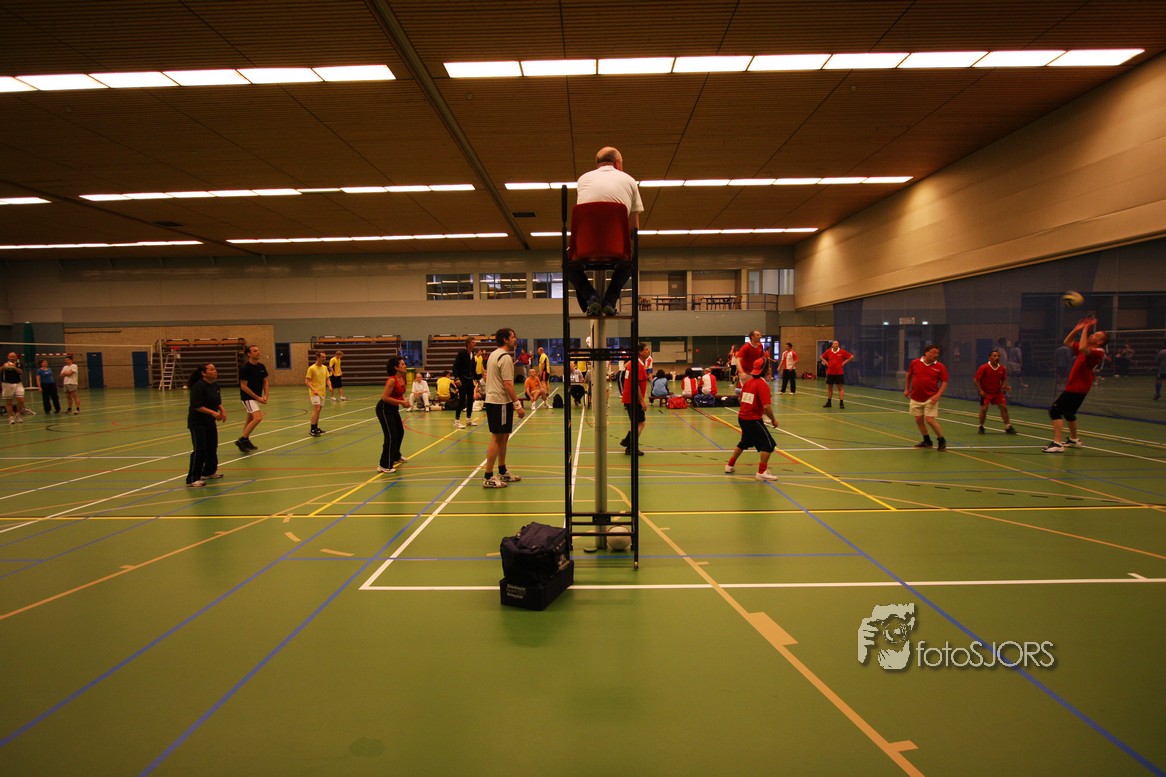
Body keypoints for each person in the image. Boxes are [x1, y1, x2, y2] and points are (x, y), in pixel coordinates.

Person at [567, 146, 644, 316]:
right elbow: (634, 229)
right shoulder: (630, 181)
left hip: (585, 249)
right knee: (631, 256)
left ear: (598, 164)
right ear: (617, 163)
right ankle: (610, 300)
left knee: (567, 261)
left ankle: (591, 297)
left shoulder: (583, 180)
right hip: (617, 249)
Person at [1043, 317, 1108, 453]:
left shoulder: (1098, 352)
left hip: (1078, 387)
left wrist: (1085, 329)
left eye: (1095, 335)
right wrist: (1077, 329)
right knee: (1069, 413)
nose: (1091, 335)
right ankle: (1074, 439)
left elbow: (1083, 347)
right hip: (1076, 386)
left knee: (1055, 411)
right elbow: (1067, 342)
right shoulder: (1086, 349)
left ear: (1100, 341)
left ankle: (1057, 443)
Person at [482, 327, 525, 488]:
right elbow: (508, 384)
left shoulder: (494, 354)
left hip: (497, 401)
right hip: (499, 402)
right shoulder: (505, 357)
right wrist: (518, 405)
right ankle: (488, 476)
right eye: (513, 337)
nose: (515, 339)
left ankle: (502, 471)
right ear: (505, 339)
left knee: (504, 436)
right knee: (497, 438)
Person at [724, 358, 780, 481]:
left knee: (745, 442)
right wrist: (773, 420)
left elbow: (740, 399)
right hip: (752, 420)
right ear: (765, 370)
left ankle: (729, 465)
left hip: (742, 417)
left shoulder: (748, 383)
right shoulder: (762, 385)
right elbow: (766, 407)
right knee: (769, 445)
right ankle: (761, 472)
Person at [186, 363, 226, 487]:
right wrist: (213, 413)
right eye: (212, 370)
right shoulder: (198, 387)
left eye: (215, 369)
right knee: (200, 449)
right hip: (197, 422)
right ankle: (193, 478)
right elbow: (196, 406)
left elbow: (217, 402)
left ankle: (209, 472)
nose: (215, 371)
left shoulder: (215, 386)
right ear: (204, 373)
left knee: (212, 447)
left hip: (209, 422)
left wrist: (222, 410)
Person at [905, 344, 949, 451]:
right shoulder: (915, 363)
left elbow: (944, 382)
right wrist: (906, 389)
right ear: (926, 352)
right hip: (916, 396)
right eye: (933, 352)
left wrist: (938, 395)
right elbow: (909, 375)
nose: (935, 355)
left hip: (931, 397)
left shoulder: (940, 367)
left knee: (929, 420)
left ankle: (941, 439)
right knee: (918, 419)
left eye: (937, 353)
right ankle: (927, 441)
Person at [375, 356, 410, 473]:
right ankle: (384, 465)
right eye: (402, 364)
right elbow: (385, 397)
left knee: (400, 432)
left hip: (393, 408)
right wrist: (402, 403)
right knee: (391, 435)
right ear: (396, 367)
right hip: (384, 409)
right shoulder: (392, 380)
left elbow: (401, 393)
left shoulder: (402, 378)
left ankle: (395, 456)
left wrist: (404, 400)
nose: (405, 366)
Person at [974, 350, 1017, 435]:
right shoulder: (984, 367)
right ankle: (981, 426)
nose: (996, 358)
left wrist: (1005, 385)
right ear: (989, 357)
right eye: (994, 356)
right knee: (984, 409)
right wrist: (980, 390)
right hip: (986, 393)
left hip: (997, 393)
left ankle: (1008, 426)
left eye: (998, 356)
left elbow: (1004, 378)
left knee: (1004, 408)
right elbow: (976, 379)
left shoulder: (1002, 368)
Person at [619, 343, 651, 456]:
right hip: (633, 400)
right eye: (646, 349)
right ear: (640, 352)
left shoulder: (634, 363)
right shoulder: (636, 365)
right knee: (641, 423)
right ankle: (631, 446)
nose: (648, 351)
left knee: (636, 422)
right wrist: (642, 401)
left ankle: (627, 442)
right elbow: (635, 384)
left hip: (630, 398)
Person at [236, 344, 268, 452]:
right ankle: (242, 440)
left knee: (249, 419)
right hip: (248, 397)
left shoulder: (261, 366)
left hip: (257, 397)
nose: (258, 352)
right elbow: (243, 386)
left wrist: (265, 395)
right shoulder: (245, 368)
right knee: (257, 418)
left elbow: (265, 381)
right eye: (255, 351)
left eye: (258, 350)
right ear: (249, 354)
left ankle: (246, 440)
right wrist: (257, 398)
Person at [452, 336, 479, 429]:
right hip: (462, 380)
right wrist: (456, 378)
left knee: (471, 399)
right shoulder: (461, 353)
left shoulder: (473, 354)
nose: (475, 344)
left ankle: (468, 419)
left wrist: (477, 379)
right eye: (473, 342)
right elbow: (455, 366)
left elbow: (473, 369)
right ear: (468, 344)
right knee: (462, 399)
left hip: (469, 380)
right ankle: (456, 421)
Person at [821, 340, 854, 409]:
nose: (836, 344)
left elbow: (851, 356)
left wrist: (844, 363)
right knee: (830, 388)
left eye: (837, 343)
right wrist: (827, 363)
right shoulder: (828, 351)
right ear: (832, 345)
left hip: (839, 373)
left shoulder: (842, 351)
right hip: (830, 372)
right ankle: (829, 402)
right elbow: (821, 357)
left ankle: (841, 403)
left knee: (840, 388)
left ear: (838, 345)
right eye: (835, 343)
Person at [305, 350, 330, 436]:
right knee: (317, 408)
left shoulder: (325, 368)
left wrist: (330, 386)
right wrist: (313, 390)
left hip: (322, 392)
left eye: (325, 357)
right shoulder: (312, 368)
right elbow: (307, 381)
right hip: (314, 393)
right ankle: (312, 429)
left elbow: (327, 379)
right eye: (322, 357)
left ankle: (316, 427)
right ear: (317, 357)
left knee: (319, 410)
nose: (324, 358)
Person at [2, 353, 25, 425]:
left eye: (14, 357)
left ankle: (18, 414)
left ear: (16, 357)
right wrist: (3, 367)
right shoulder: (4, 364)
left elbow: (21, 372)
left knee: (21, 400)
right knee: (9, 402)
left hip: (18, 383)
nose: (12, 358)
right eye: (11, 357)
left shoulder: (19, 364)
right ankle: (10, 417)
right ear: (8, 357)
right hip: (7, 384)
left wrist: (14, 367)